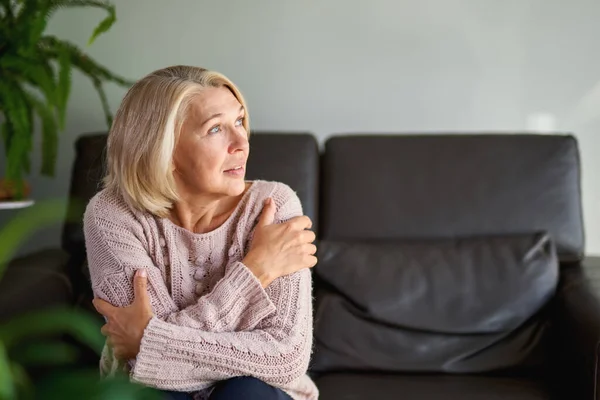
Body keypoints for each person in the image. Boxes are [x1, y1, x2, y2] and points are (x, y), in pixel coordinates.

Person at [83, 65, 319, 400]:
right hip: (154, 390)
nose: (241, 143)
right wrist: (256, 270)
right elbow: (139, 363)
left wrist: (151, 340)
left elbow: (285, 357)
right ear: (163, 150)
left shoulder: (273, 205)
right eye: (215, 130)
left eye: (239, 121)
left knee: (246, 391)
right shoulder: (113, 215)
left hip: (257, 393)